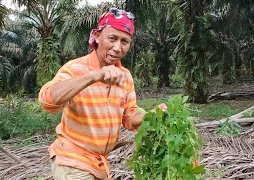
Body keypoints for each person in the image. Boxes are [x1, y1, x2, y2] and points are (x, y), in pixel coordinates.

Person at [38, 8, 166, 180]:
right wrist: (92, 77)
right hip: (72, 160)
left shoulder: (125, 76)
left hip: (100, 163)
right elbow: (47, 100)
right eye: (112, 38)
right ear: (97, 36)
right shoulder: (75, 68)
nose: (117, 47)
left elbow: (129, 116)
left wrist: (151, 115)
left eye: (124, 41)